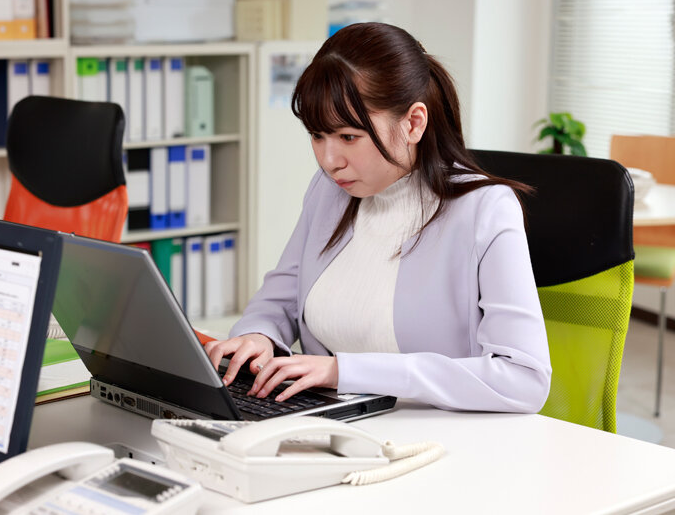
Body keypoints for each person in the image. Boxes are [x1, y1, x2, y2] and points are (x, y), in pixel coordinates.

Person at [204, 22, 552, 413]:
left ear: (413, 123)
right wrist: (258, 336)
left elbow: (524, 378)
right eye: (317, 135)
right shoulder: (330, 191)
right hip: (335, 422)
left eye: (348, 137)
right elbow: (280, 298)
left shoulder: (484, 210)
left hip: (439, 435)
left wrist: (345, 372)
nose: (329, 161)